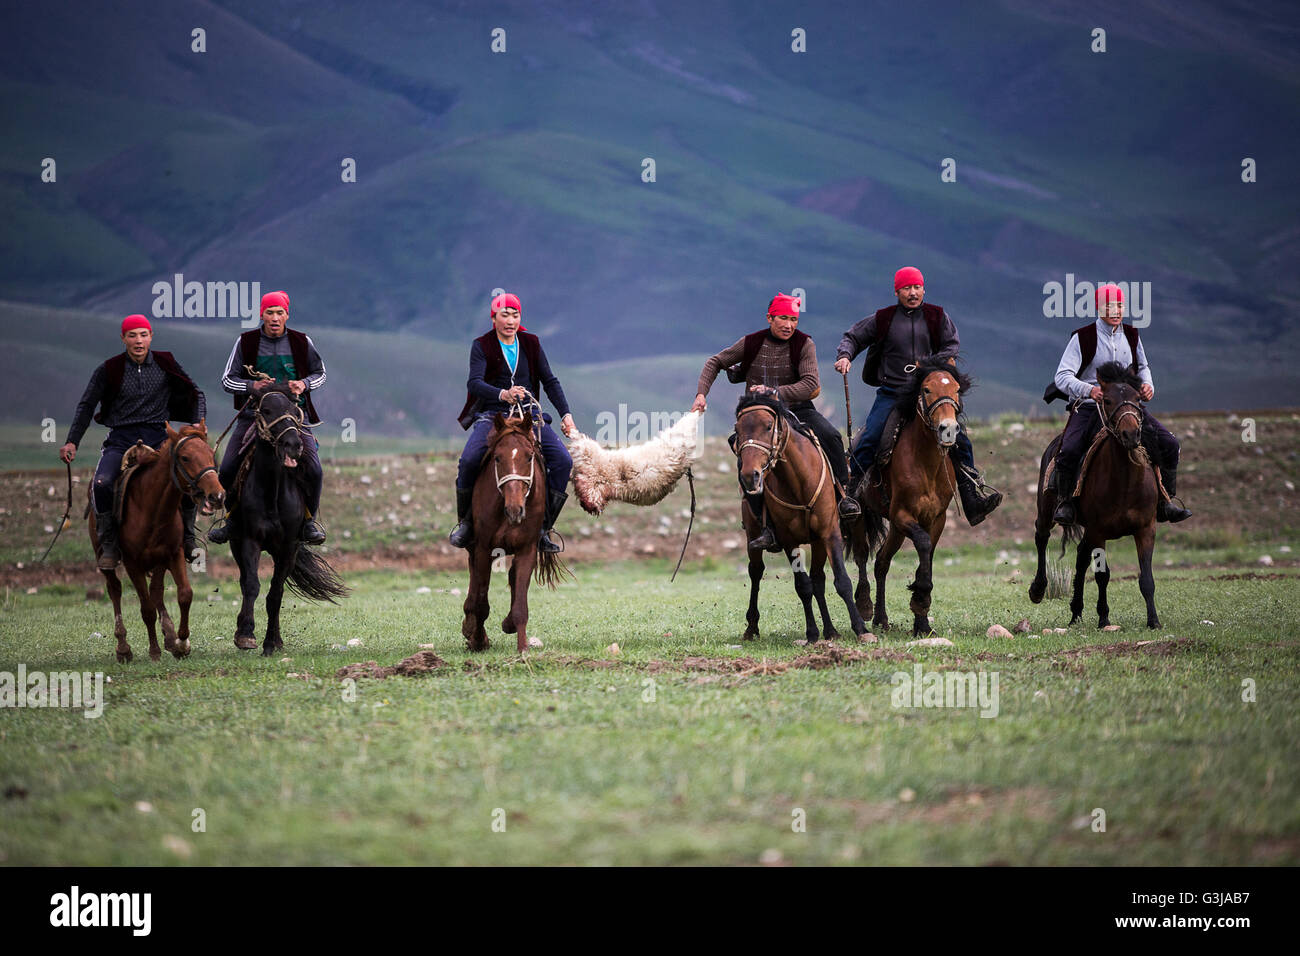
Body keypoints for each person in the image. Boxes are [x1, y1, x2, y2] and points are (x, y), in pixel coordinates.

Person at [835, 266, 1002, 526]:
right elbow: (853, 337)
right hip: (892, 392)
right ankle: (851, 496)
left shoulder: (937, 316)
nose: (912, 293)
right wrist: (844, 356)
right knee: (869, 437)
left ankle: (972, 498)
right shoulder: (883, 318)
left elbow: (951, 345)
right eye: (906, 288)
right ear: (897, 291)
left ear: (923, 289)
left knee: (959, 439)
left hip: (928, 393)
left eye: (917, 287)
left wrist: (931, 365)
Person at [693, 293, 860, 552]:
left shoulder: (805, 344)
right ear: (770, 317)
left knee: (831, 436)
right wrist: (701, 394)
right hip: (759, 419)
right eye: (783, 318)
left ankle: (843, 497)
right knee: (746, 462)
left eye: (793, 319)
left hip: (797, 411)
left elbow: (810, 383)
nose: (789, 325)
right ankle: (765, 526)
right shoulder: (751, 342)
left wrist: (775, 392)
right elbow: (715, 362)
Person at [60, 314, 206, 569]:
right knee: (102, 483)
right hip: (121, 438)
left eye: (143, 335)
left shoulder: (165, 362)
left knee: (185, 479)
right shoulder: (109, 369)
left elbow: (196, 393)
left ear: (151, 337)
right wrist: (72, 441)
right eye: (132, 335)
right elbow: (86, 405)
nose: (138, 341)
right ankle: (109, 544)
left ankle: (188, 539)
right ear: (123, 338)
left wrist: (196, 422)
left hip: (159, 437)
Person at [1049, 283, 1191, 525]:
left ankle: (1166, 501)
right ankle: (1066, 504)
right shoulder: (1082, 338)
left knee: (1168, 443)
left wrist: (1148, 385)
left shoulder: (1132, 335)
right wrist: (1089, 390)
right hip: (1090, 405)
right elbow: (1062, 376)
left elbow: (1143, 367)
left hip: (1126, 406)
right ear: (1098, 307)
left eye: (1120, 305)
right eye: (1110, 306)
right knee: (1070, 450)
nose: (1116, 310)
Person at [451, 292, 575, 553]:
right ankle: (465, 524)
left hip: (528, 415)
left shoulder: (531, 343)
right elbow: (474, 382)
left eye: (515, 314)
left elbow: (549, 380)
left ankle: (543, 528)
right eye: (504, 314)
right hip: (493, 416)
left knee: (563, 461)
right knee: (469, 460)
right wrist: (502, 394)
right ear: (493, 317)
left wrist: (566, 414)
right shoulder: (481, 345)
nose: (510, 320)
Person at [208, 290, 328, 544]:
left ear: (287, 314)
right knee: (228, 467)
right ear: (261, 315)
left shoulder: (301, 341)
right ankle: (230, 520)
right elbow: (227, 380)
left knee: (315, 470)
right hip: (253, 416)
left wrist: (304, 384)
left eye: (279, 312)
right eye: (269, 313)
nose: (274, 318)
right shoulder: (245, 342)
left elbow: (321, 373)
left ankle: (308, 522)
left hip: (293, 418)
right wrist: (252, 387)